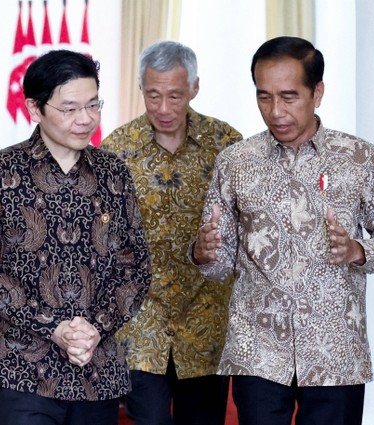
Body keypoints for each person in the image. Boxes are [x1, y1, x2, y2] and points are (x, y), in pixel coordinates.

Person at [193, 36, 374, 425]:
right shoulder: (235, 162)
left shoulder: (359, 158)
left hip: (335, 354)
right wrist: (203, 251)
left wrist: (357, 251)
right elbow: (218, 266)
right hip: (257, 353)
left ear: (318, 92)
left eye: (289, 96)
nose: (275, 111)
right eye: (264, 97)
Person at [0, 49, 152, 425]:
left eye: (93, 105)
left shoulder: (114, 174)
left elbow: (137, 268)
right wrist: (54, 327)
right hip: (21, 369)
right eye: (69, 109)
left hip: (96, 370)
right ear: (35, 109)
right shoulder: (1, 170)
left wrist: (95, 328)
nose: (85, 119)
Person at [100, 40, 242, 425]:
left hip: (206, 320)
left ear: (195, 88)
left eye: (175, 95)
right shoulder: (117, 149)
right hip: (141, 323)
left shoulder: (225, 144)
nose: (163, 108)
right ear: (141, 89)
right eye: (153, 95)